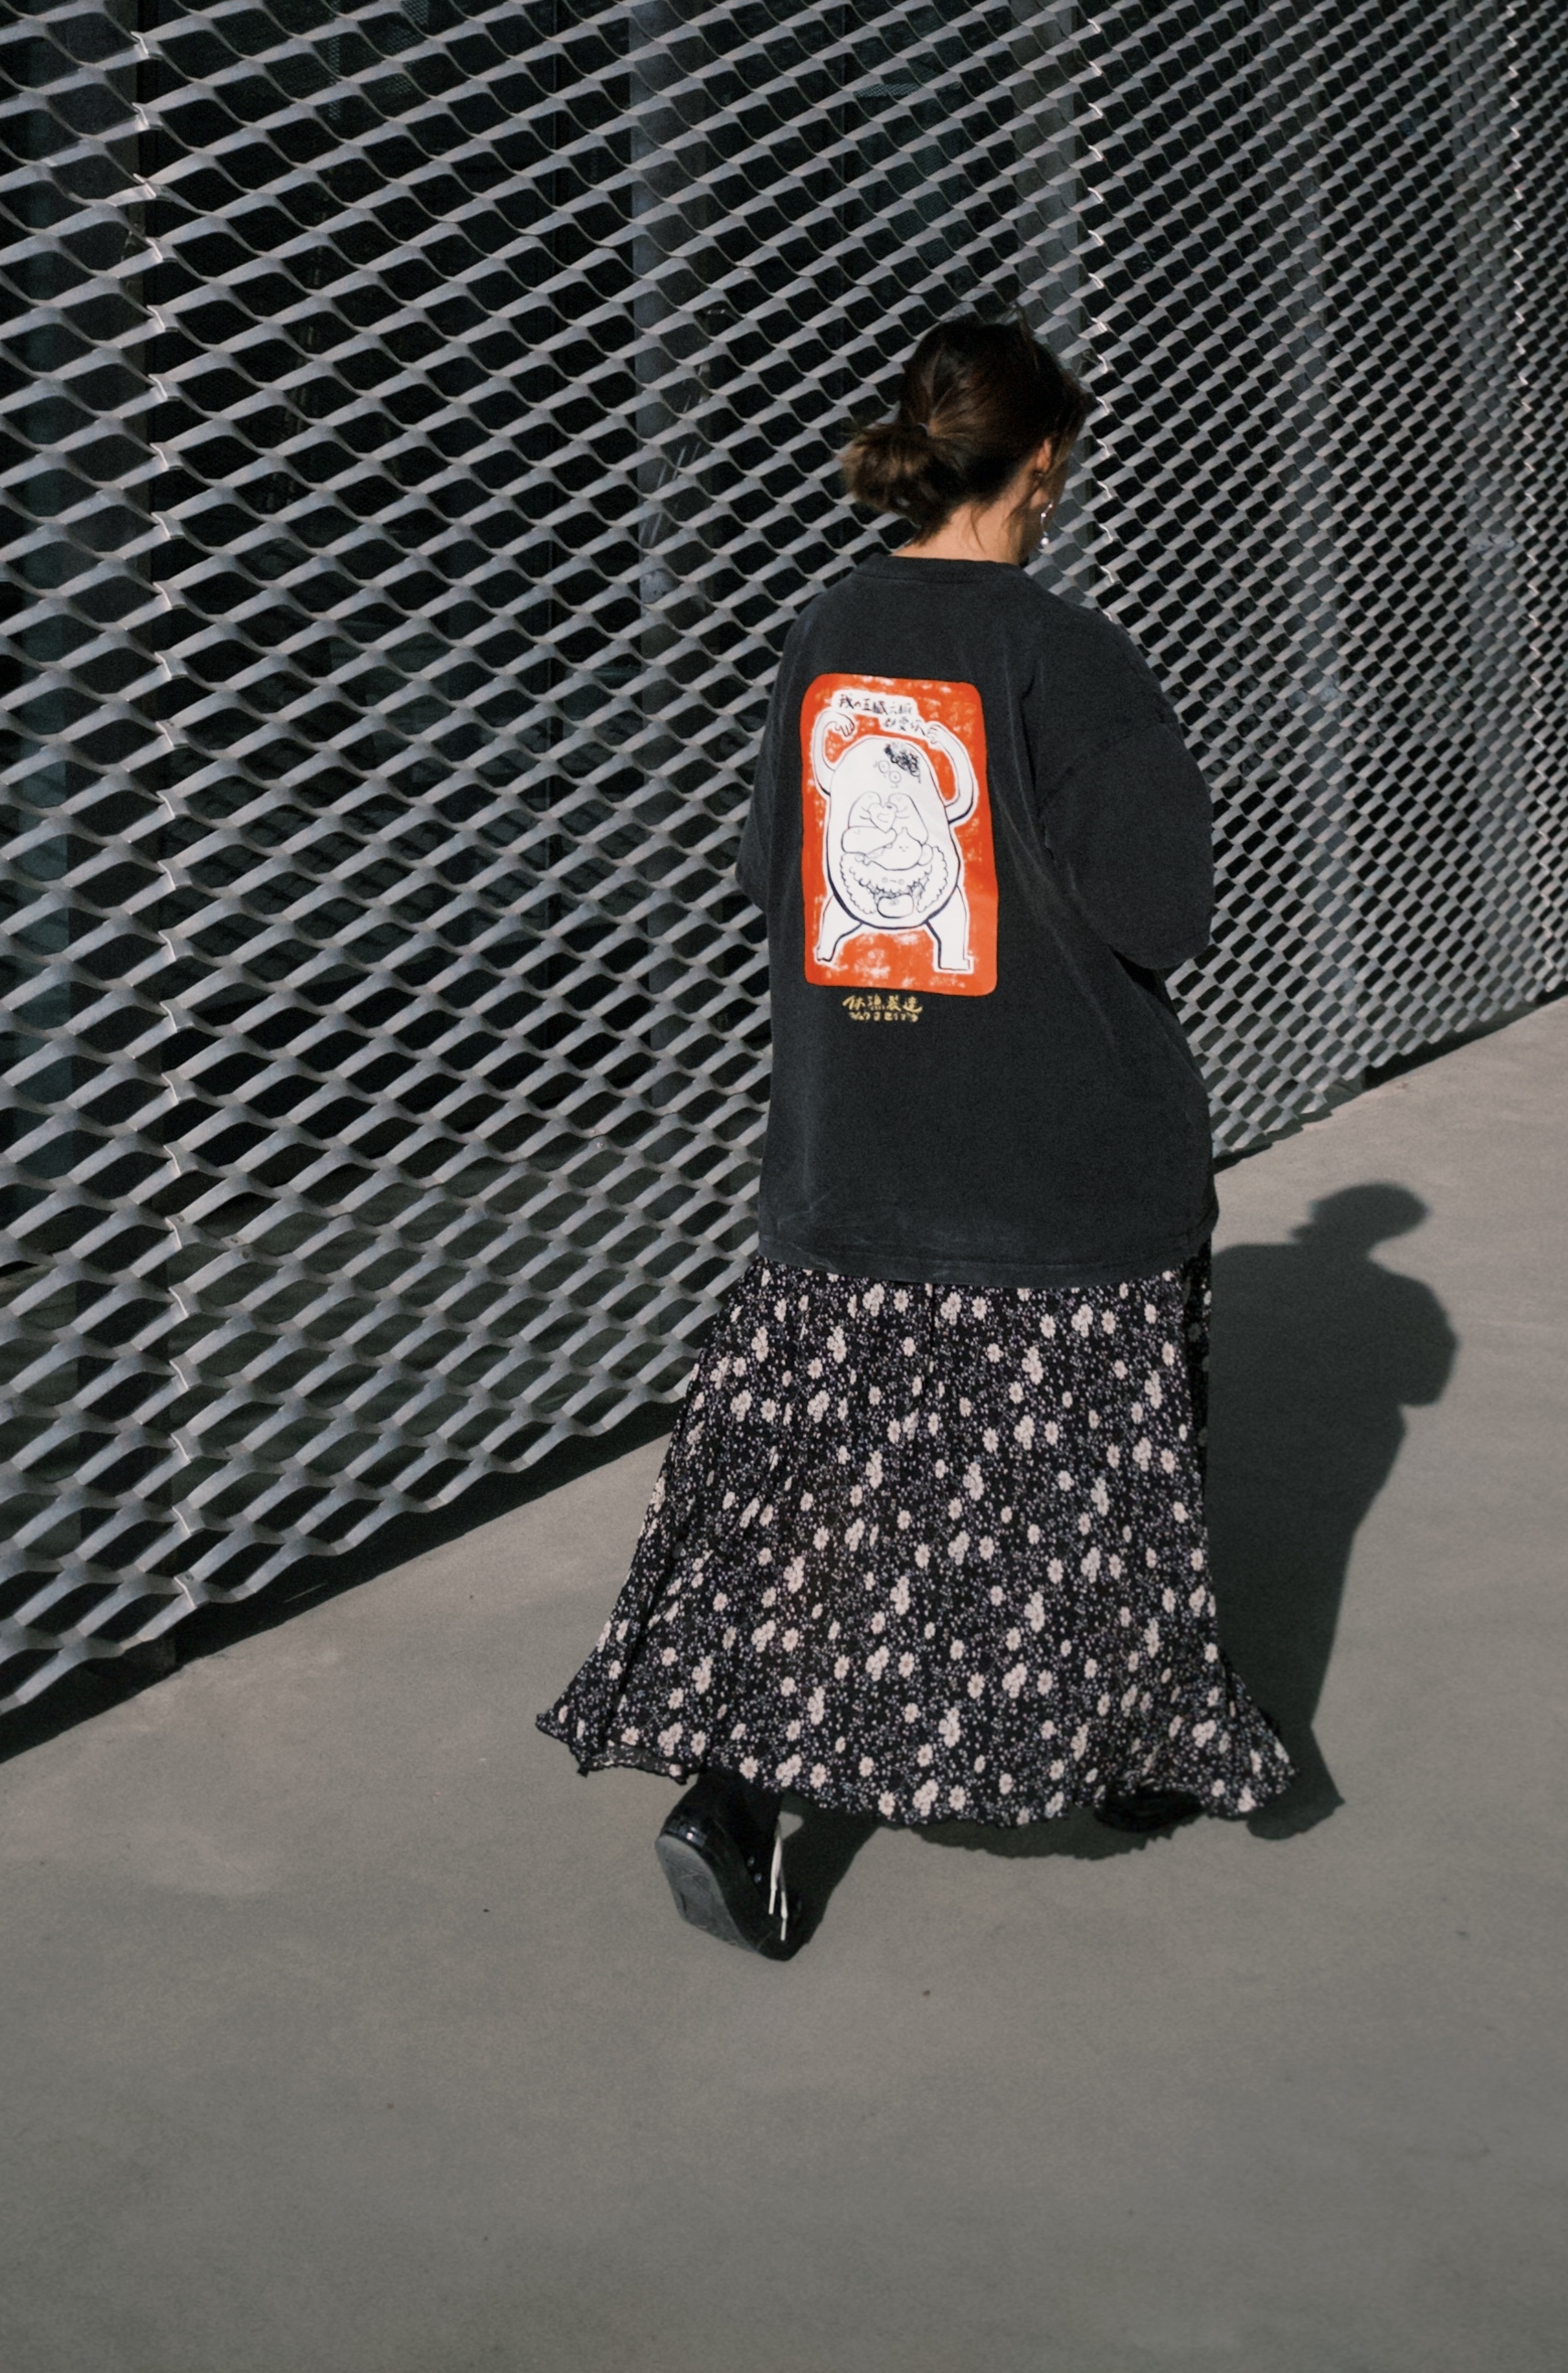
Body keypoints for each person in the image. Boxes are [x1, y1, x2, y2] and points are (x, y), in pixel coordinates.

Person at [538, 313, 1289, 1953]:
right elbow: (1162, 911)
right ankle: (1136, 1738)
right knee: (1095, 1484)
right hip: (1056, 1169)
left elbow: (771, 876)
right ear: (1043, 461)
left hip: (857, 1152)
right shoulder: (1070, 653)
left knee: (816, 1494)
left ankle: (734, 1798)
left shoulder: (826, 632)